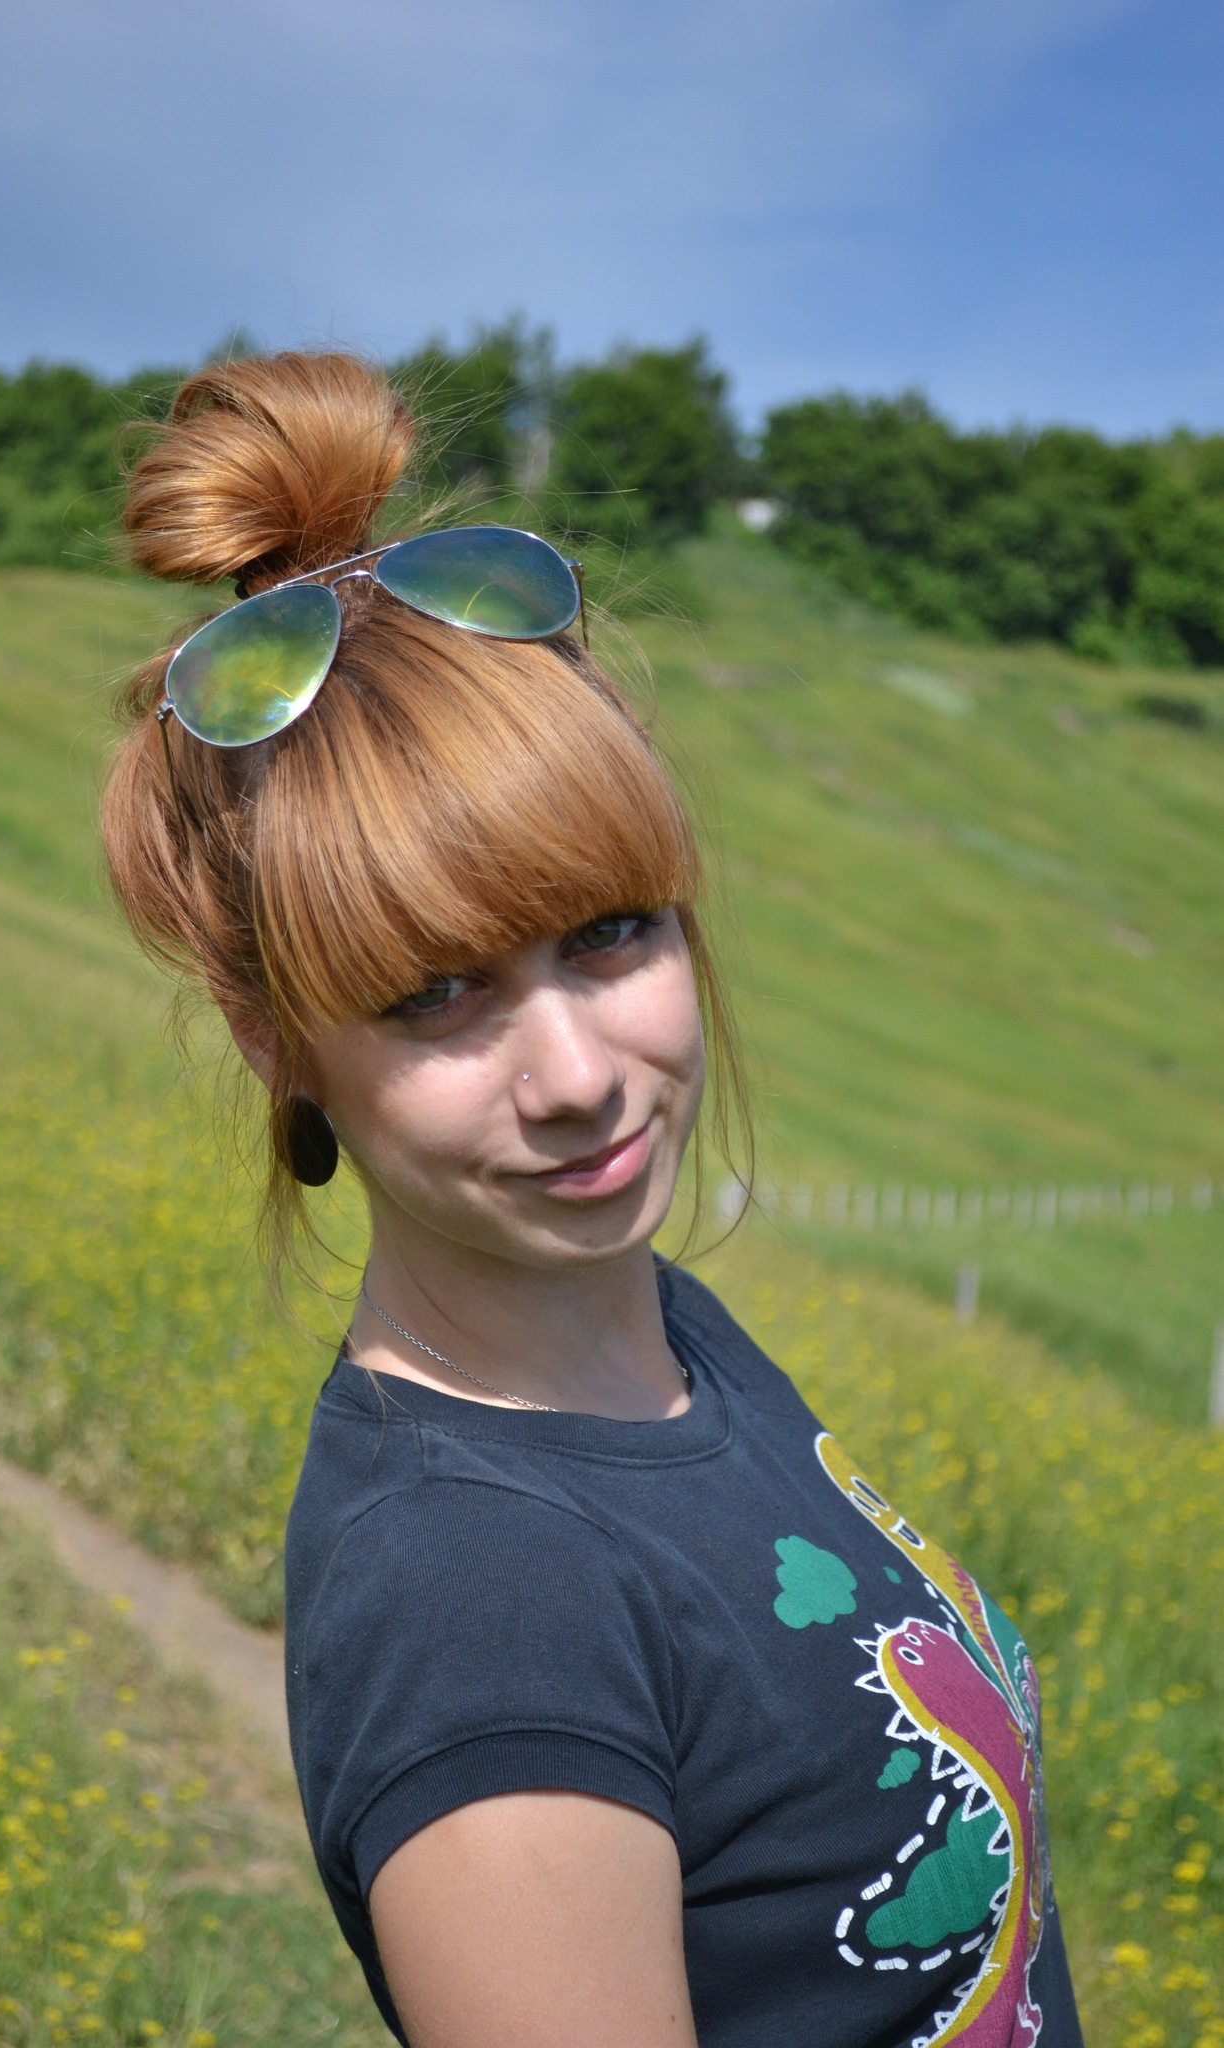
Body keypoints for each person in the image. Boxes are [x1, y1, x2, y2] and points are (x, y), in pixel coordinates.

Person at [102, 350, 1084, 2048]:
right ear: (280, 1044)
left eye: (609, 934)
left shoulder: (662, 1338)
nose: (572, 1076)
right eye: (435, 996)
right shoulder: (478, 1608)